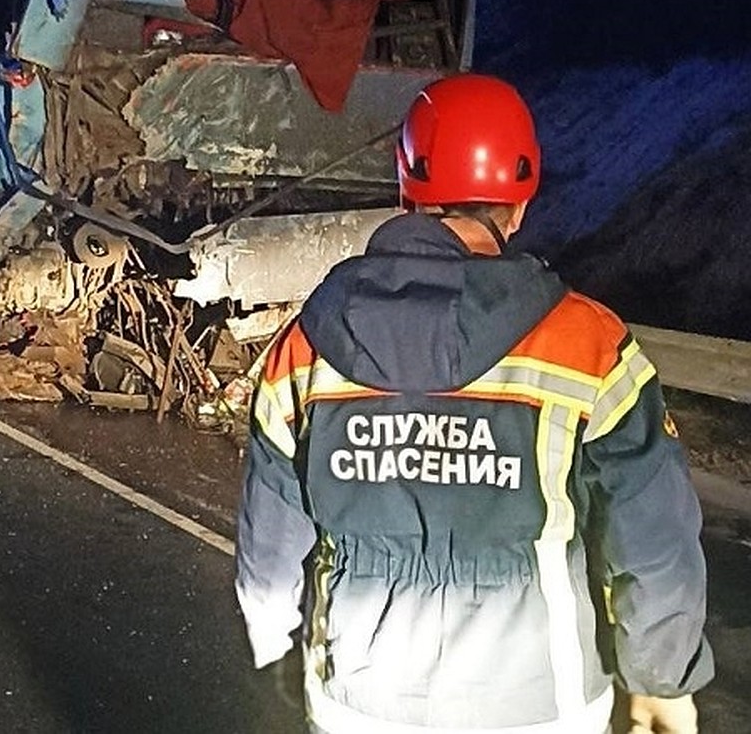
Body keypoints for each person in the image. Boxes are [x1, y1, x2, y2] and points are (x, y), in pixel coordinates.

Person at [234, 73, 713, 734]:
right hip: (542, 706)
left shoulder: (308, 344)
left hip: (361, 703)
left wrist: (276, 646)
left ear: (407, 190)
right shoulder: (587, 344)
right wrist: (662, 680)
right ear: (519, 205)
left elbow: (270, 541)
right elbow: (653, 540)